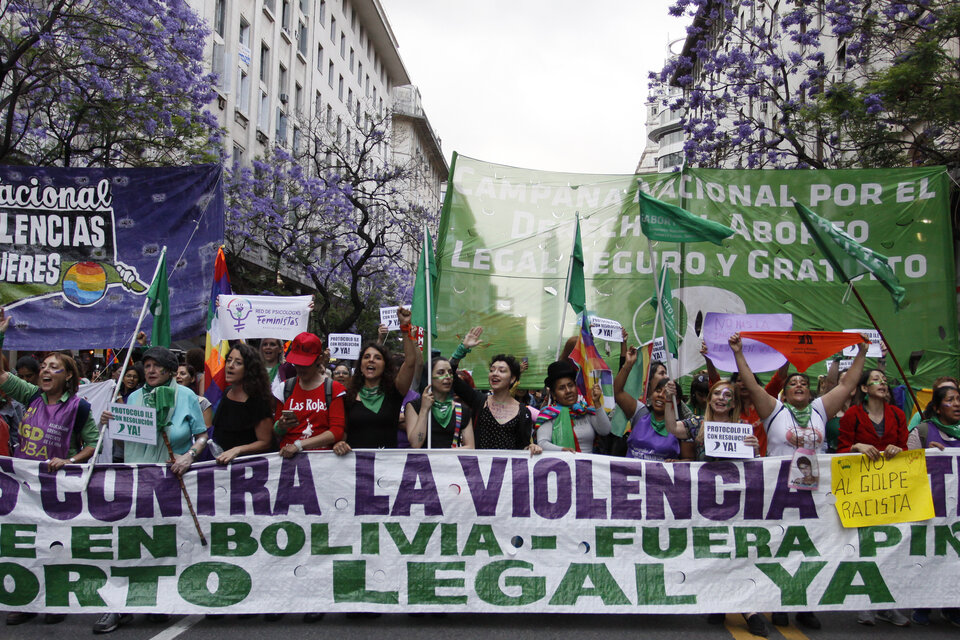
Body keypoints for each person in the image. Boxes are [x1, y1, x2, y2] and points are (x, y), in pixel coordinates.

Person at [729, 332, 868, 631]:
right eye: (793, 383)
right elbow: (751, 385)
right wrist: (739, 353)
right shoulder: (774, 411)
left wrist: (861, 353)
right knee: (779, 547)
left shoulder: (820, 409)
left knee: (810, 549)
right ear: (785, 393)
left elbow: (847, 385)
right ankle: (777, 604)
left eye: (804, 383)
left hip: (813, 493)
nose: (800, 385)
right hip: (778, 492)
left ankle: (804, 606)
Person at [93, 347, 207, 634]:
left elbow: (202, 435)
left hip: (170, 482)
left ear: (170, 370)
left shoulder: (187, 397)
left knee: (163, 544)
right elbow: (124, 444)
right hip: (137, 482)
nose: (151, 370)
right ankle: (117, 606)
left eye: (157, 366)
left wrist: (189, 455)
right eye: (147, 365)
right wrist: (111, 424)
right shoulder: (133, 397)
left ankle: (157, 601)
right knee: (130, 542)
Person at [447, 326, 541, 453]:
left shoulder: (524, 412)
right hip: (478, 469)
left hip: (506, 471)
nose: (494, 374)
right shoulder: (479, 400)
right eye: (492, 370)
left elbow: (522, 448)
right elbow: (450, 375)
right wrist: (462, 348)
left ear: (512, 378)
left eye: (501, 371)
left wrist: (531, 447)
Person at [275, 332, 347, 461]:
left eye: (305, 363)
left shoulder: (334, 389)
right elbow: (275, 430)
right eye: (297, 363)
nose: (301, 368)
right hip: (288, 462)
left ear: (319, 359)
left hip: (322, 463)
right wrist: (280, 426)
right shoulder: (284, 388)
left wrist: (298, 445)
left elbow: (337, 431)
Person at [613, 346, 692, 462]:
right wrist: (628, 364)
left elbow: (690, 461)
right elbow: (618, 391)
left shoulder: (683, 427)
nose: (660, 395)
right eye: (658, 391)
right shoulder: (639, 413)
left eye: (666, 393)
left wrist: (679, 463)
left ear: (677, 401)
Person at [211, 343, 274, 464]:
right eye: (229, 361)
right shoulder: (227, 393)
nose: (230, 366)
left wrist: (237, 450)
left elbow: (265, 442)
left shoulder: (258, 400)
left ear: (249, 370)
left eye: (238, 363)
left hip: (248, 469)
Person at [535, 360, 610, 453]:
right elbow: (542, 443)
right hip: (561, 464)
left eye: (571, 385)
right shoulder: (548, 414)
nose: (568, 391)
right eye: (562, 388)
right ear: (554, 394)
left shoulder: (585, 411)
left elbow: (605, 430)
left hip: (588, 466)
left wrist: (597, 403)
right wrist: (564, 451)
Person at [838, 369, 908, 462]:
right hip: (861, 473)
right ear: (864, 388)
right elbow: (841, 452)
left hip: (892, 473)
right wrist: (856, 447)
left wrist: (898, 450)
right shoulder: (852, 414)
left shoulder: (898, 414)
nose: (882, 383)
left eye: (885, 380)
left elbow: (905, 449)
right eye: (876, 379)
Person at [405, 358, 475, 449]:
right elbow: (415, 444)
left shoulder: (463, 410)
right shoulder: (414, 406)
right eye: (441, 372)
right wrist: (424, 410)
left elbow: (470, 447)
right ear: (429, 377)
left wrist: (442, 457)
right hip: (424, 463)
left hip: (452, 462)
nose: (448, 376)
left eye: (450, 372)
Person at [907, 377, 959, 449]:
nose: (957, 404)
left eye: (958, 399)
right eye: (950, 399)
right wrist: (928, 454)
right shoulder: (922, 431)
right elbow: (910, 458)